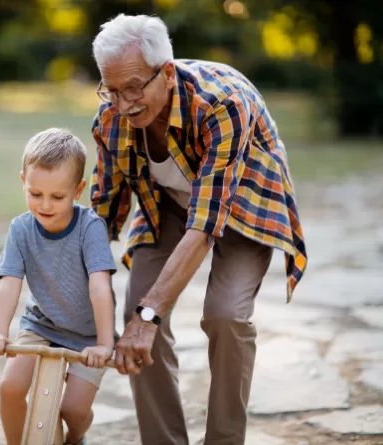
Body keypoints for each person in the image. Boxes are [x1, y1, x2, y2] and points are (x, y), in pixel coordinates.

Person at [88, 14, 308, 445]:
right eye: (111, 90)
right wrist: (75, 284)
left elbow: (206, 224)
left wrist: (149, 316)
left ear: (166, 74)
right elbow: (103, 212)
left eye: (134, 87)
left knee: (225, 316)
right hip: (168, 204)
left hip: (245, 203)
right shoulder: (111, 120)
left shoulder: (222, 104)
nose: (124, 103)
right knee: (136, 309)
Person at [0, 127, 119, 445]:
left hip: (86, 334)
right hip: (41, 325)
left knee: (73, 409)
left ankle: (75, 438)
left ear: (78, 189)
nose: (45, 205)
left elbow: (101, 288)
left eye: (58, 196)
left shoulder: (90, 228)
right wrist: (0, 332)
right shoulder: (20, 229)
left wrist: (104, 343)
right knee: (10, 387)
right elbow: (10, 284)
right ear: (23, 183)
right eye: (35, 193)